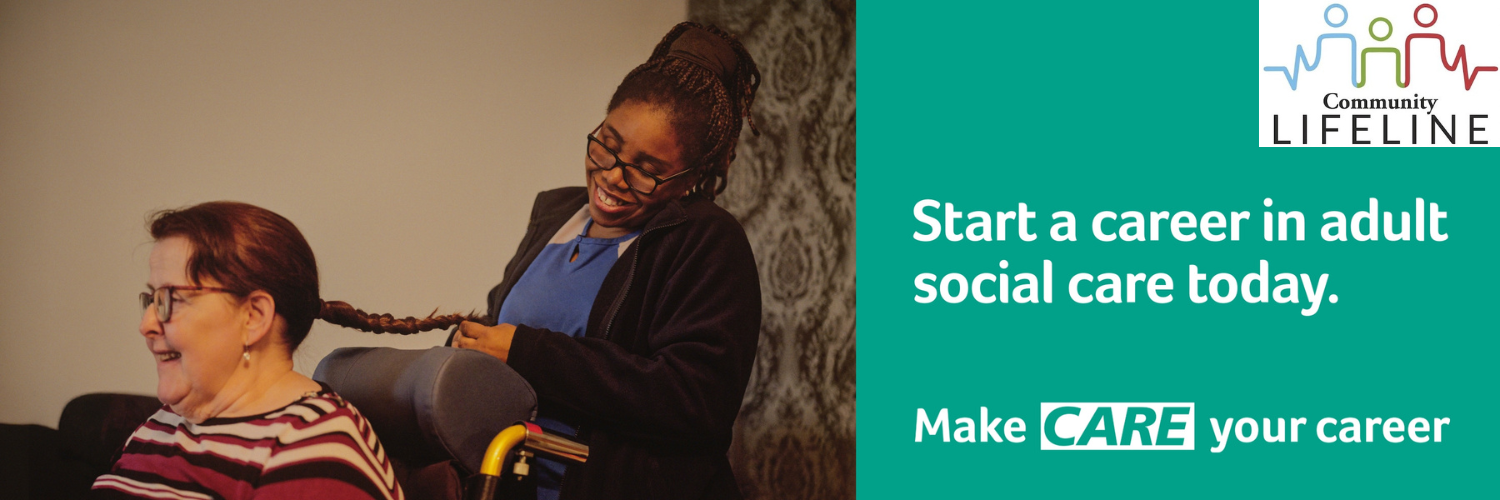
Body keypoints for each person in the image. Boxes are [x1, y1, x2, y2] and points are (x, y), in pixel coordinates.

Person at [448, 22, 763, 500]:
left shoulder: (708, 241)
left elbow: (694, 402)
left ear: (689, 179)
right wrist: (475, 345)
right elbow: (507, 331)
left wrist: (530, 353)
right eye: (607, 145)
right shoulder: (555, 215)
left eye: (646, 170)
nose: (613, 177)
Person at [95, 201, 475, 500]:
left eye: (169, 300)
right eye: (150, 298)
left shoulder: (314, 456)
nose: (146, 324)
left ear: (253, 316)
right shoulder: (161, 426)